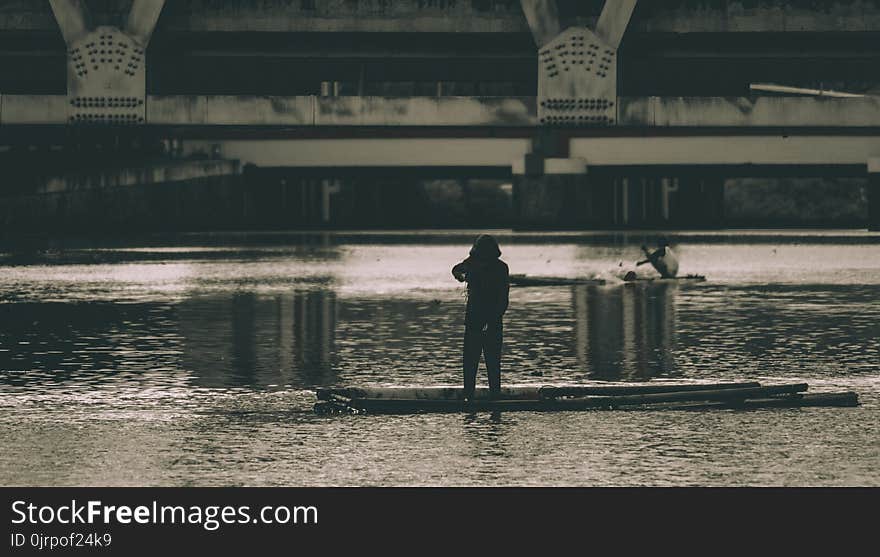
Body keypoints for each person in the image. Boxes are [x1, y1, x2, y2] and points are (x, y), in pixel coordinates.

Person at [451, 234, 509, 402]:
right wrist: (461, 275)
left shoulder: (499, 268)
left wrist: (490, 321)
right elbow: (456, 269)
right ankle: (479, 397)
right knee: (477, 364)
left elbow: (502, 299)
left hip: (486, 323)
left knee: (482, 363)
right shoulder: (473, 264)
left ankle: (486, 398)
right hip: (481, 322)